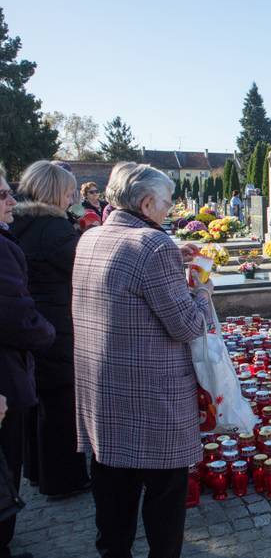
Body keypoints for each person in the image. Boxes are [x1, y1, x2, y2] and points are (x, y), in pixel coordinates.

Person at [73, 162, 212, 558]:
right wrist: (202, 291)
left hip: (103, 397)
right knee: (164, 508)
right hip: (152, 403)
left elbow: (129, 286)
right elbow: (187, 326)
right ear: (148, 203)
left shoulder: (90, 238)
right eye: (167, 203)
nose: (169, 211)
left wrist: (174, 260)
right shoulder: (153, 247)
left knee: (112, 505)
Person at [10, 161, 91, 499]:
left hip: (30, 324)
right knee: (60, 405)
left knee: (36, 402)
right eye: (69, 189)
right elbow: (81, 270)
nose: (73, 194)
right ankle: (63, 480)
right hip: (56, 324)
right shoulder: (54, 229)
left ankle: (36, 470)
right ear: (55, 192)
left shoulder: (19, 221)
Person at [0, 163, 56, 558]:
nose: (11, 202)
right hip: (7, 370)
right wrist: (46, 334)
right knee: (6, 461)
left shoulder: (11, 235)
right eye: (3, 196)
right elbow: (14, 313)